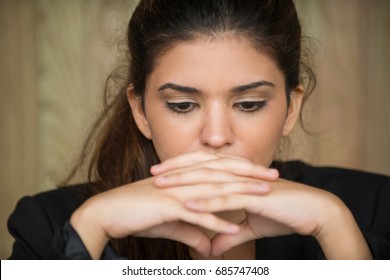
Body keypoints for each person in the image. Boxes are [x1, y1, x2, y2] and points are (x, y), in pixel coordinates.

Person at [7, 0, 390, 260]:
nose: (217, 136)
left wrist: (337, 229)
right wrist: (91, 230)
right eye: (183, 106)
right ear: (141, 111)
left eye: (250, 104)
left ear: (291, 108)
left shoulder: (372, 208)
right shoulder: (50, 225)